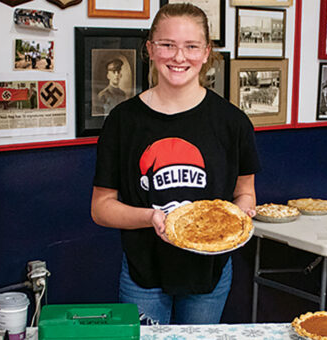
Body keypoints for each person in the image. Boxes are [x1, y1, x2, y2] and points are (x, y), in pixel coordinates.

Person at [91, 3, 261, 325]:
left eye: (191, 46)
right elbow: (101, 208)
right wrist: (153, 217)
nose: (179, 57)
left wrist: (242, 213)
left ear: (207, 52)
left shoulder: (232, 122)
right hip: (143, 274)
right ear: (151, 49)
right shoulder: (122, 121)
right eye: (168, 45)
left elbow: (245, 194)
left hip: (208, 275)